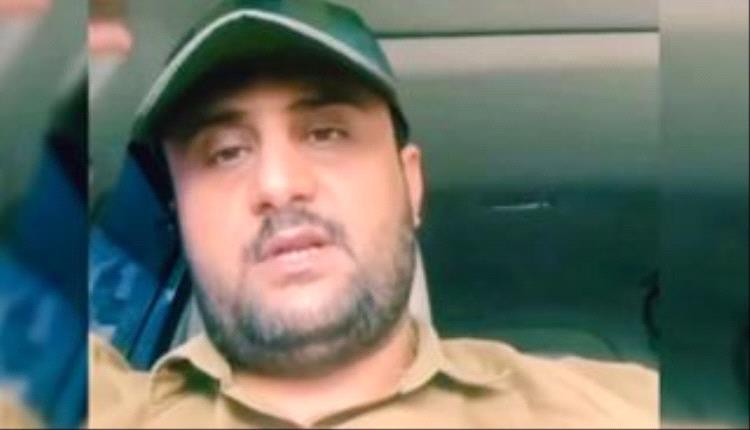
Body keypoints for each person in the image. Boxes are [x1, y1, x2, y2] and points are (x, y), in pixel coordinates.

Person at [90, 1, 658, 428]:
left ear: (411, 184)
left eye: (326, 133)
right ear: (181, 216)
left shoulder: (617, 409)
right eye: (225, 152)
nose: (279, 185)